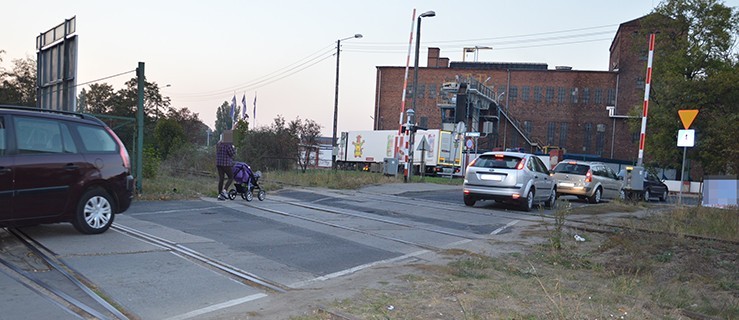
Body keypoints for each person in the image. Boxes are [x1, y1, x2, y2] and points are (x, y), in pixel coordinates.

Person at [216, 136, 236, 200]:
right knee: (231, 177)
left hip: (218, 163)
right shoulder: (228, 144)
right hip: (226, 163)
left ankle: (219, 195)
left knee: (221, 178)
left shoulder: (218, 144)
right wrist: (234, 148)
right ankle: (224, 190)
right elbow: (232, 153)